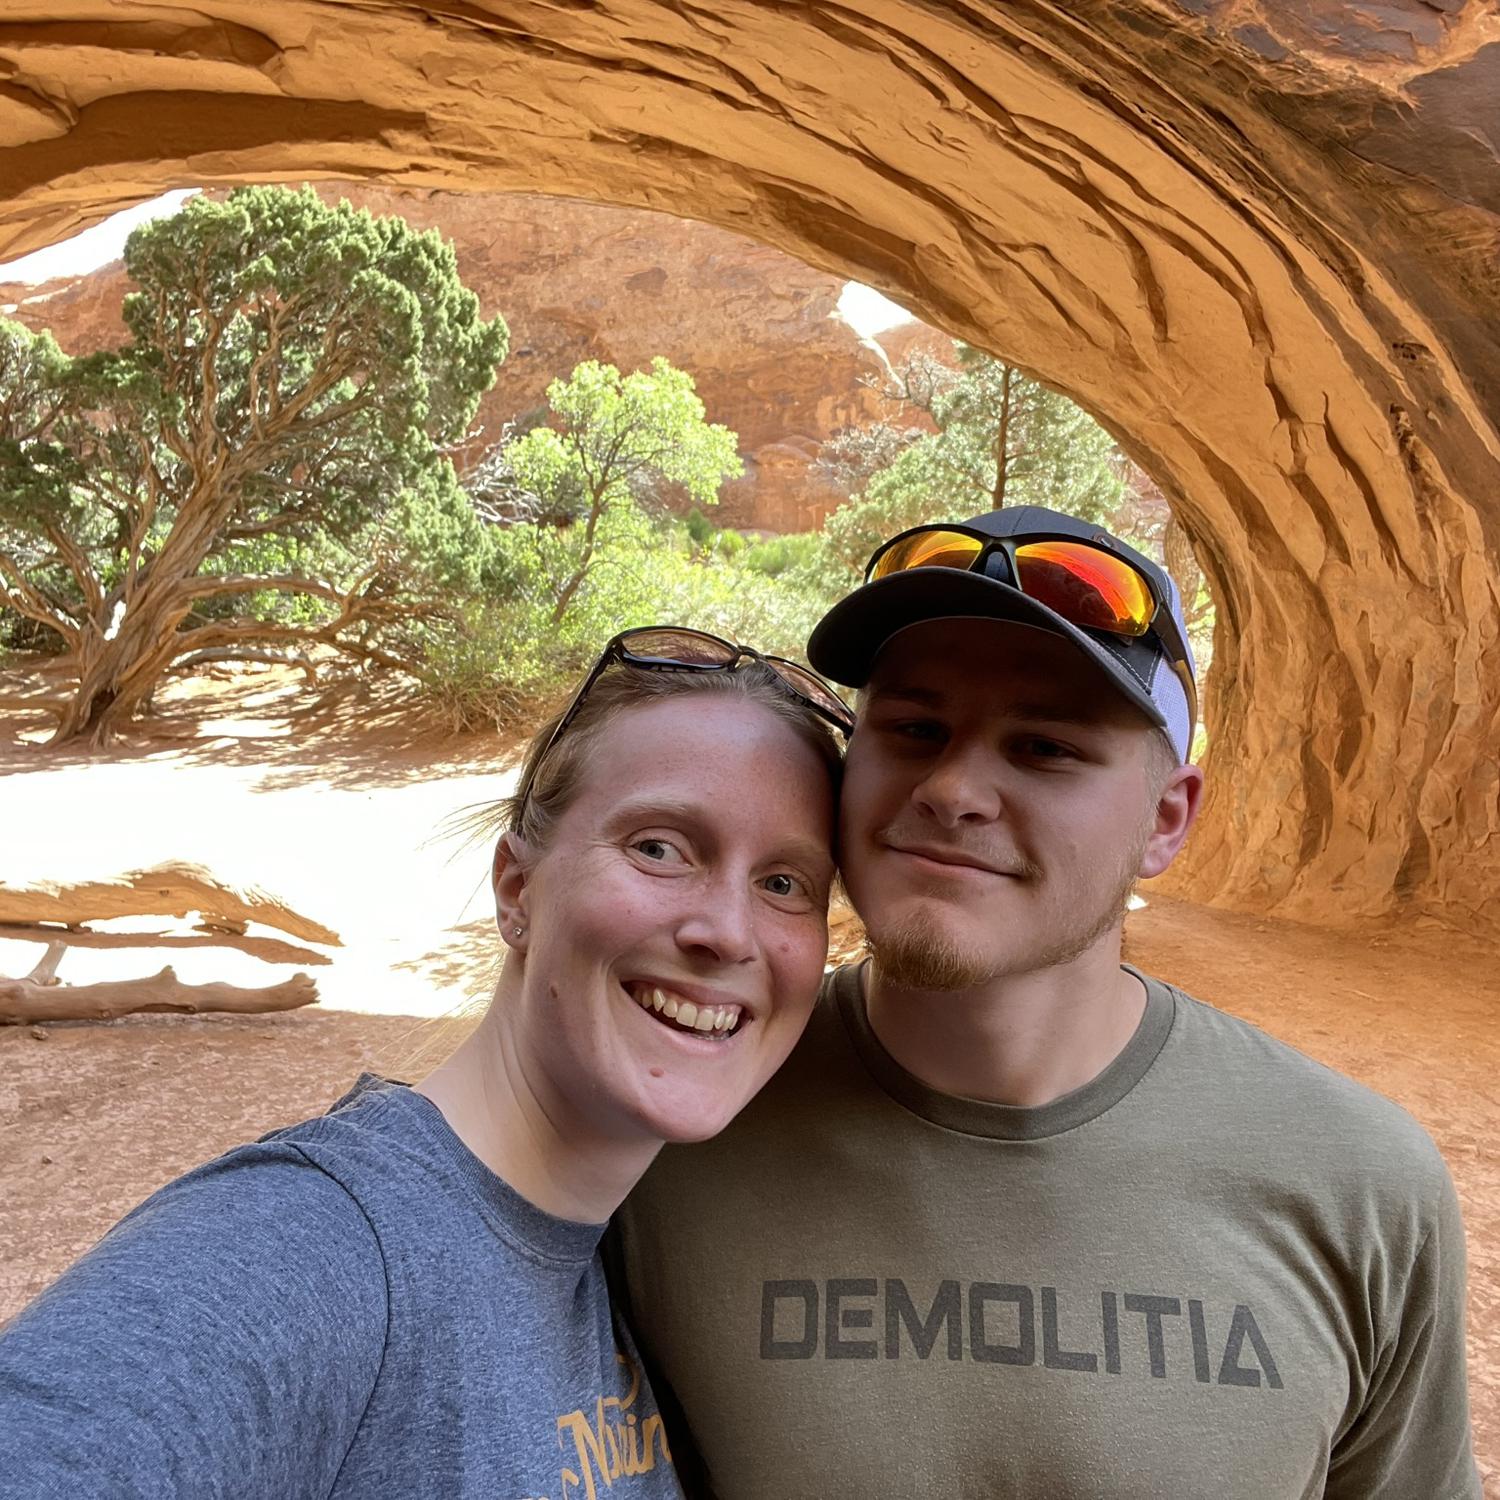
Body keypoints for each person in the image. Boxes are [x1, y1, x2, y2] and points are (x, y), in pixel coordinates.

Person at [613, 509, 1481, 1499]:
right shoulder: (673, 1124)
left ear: (1166, 820)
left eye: (1044, 748)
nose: (952, 788)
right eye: (915, 730)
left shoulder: (1360, 1187)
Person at [0, 625, 852, 1500]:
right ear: (517, 891)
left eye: (783, 883)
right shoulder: (309, 1248)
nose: (728, 932)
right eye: (658, 848)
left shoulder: (605, 1257)